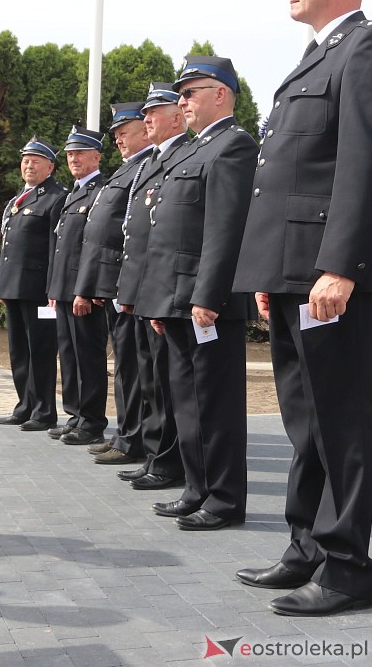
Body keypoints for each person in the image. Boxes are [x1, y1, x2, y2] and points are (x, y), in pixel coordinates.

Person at [232, 0, 372, 616]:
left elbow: (367, 164)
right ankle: (306, 546)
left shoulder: (368, 47)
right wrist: (266, 270)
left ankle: (346, 568)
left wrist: (339, 266)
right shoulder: (316, 58)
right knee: (304, 420)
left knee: (340, 420)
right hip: (289, 273)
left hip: (324, 276)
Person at [133, 57, 258, 531]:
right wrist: (159, 304)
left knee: (216, 404)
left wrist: (208, 297)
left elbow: (224, 231)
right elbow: (169, 236)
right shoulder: (189, 151)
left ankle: (224, 499)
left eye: (191, 92)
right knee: (186, 401)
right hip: (176, 303)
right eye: (181, 94)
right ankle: (197, 488)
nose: (182, 101)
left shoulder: (233, 147)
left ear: (221, 93)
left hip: (208, 305)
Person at [114, 84, 191, 491]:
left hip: (165, 289)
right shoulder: (152, 162)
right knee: (150, 378)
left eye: (154, 112)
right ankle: (155, 455)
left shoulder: (184, 154)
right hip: (145, 288)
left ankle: (168, 461)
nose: (146, 119)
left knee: (165, 380)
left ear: (176, 117)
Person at [75, 103, 154, 465]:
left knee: (133, 367)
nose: (120, 139)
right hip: (115, 282)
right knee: (124, 365)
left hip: (130, 282)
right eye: (117, 134)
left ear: (145, 129)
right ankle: (126, 434)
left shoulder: (145, 169)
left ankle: (132, 438)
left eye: (126, 132)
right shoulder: (128, 170)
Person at [0, 138, 68, 431]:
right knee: (19, 350)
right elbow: (9, 247)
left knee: (40, 349)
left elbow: (55, 248)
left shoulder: (56, 197)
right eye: (26, 160)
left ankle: (44, 411)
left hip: (39, 290)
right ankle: (24, 405)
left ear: (50, 166)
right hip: (15, 288)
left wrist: (53, 289)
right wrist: (3, 286)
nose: (29, 165)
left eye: (36, 161)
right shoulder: (17, 200)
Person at [46, 126, 108, 446]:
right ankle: (76, 415)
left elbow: (94, 247)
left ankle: (93, 421)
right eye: (70, 154)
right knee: (69, 356)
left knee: (88, 356)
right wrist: (55, 290)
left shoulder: (100, 191)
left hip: (82, 292)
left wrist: (86, 290)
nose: (73, 159)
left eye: (80, 153)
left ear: (96, 156)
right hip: (65, 291)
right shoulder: (72, 193)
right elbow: (61, 247)